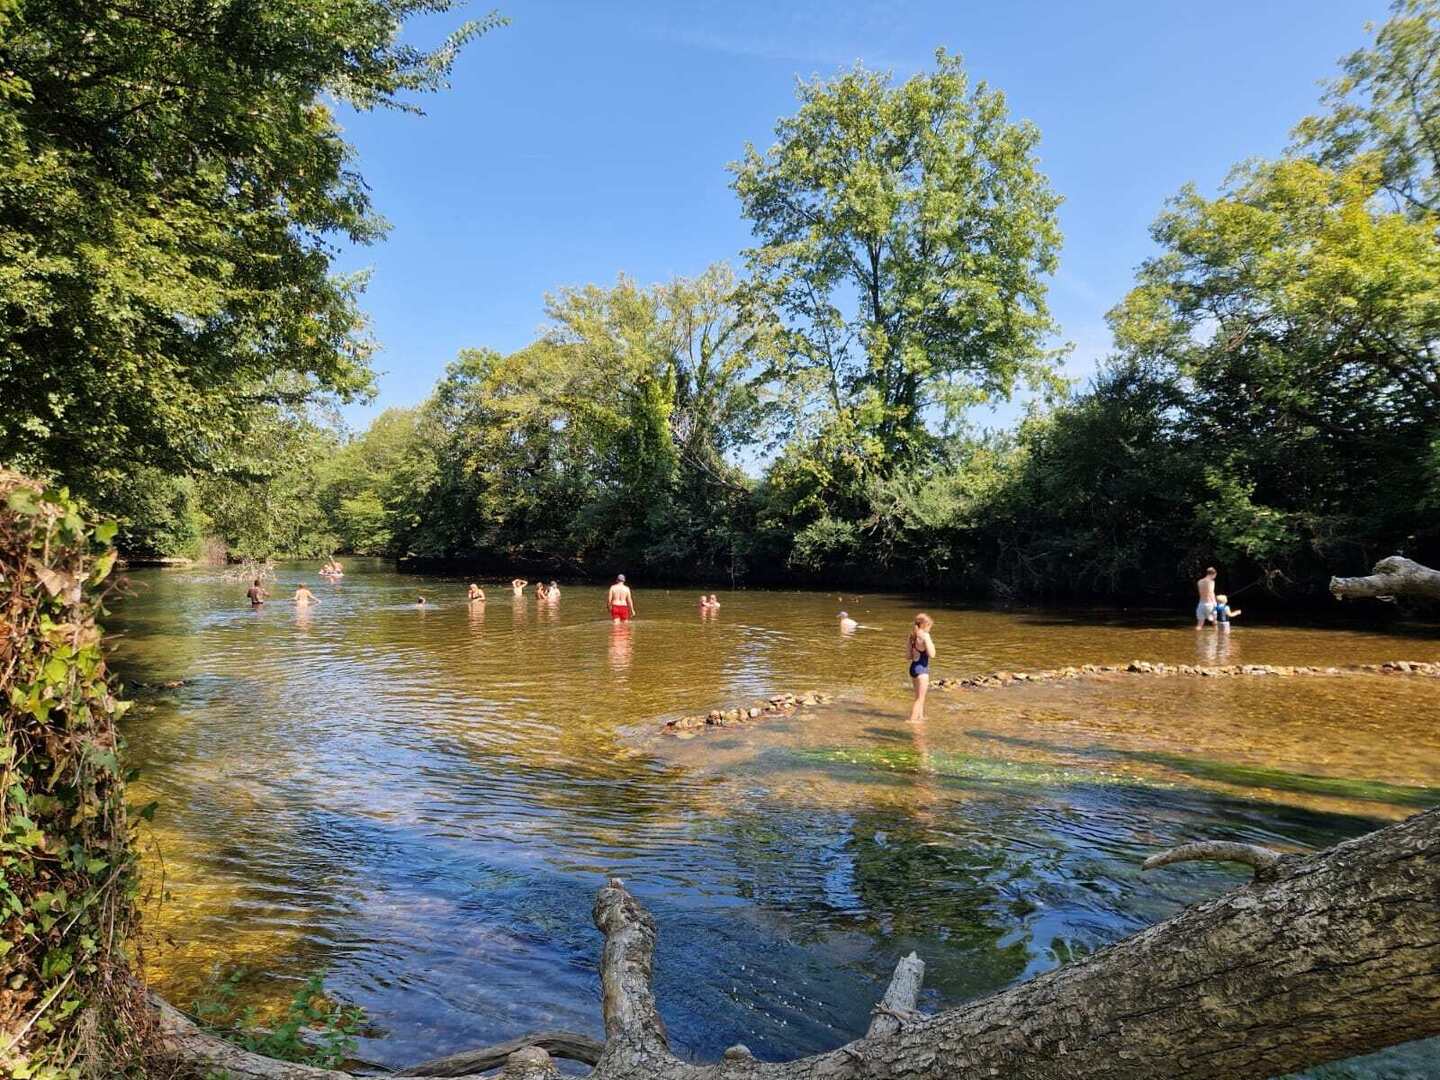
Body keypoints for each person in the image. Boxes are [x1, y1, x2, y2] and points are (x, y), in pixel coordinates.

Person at [907, 613, 936, 723]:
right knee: (920, 698)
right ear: (925, 624)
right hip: (922, 670)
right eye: (930, 626)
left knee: (918, 697)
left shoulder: (912, 636)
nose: (930, 629)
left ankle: (921, 717)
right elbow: (932, 654)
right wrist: (929, 642)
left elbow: (908, 656)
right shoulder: (925, 636)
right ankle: (912, 721)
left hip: (913, 668)